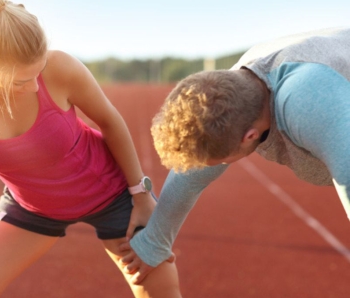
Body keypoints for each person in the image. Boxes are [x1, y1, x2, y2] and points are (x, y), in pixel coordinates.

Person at [0, 1, 181, 297]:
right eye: (22, 81)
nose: (35, 87)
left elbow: (110, 122)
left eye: (38, 72)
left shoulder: (61, 66)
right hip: (32, 207)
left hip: (113, 194)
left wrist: (141, 196)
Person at [119, 27, 350, 284]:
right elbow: (191, 178)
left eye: (220, 161)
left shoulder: (308, 102)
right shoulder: (233, 94)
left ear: (250, 136)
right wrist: (154, 242)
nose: (207, 168)